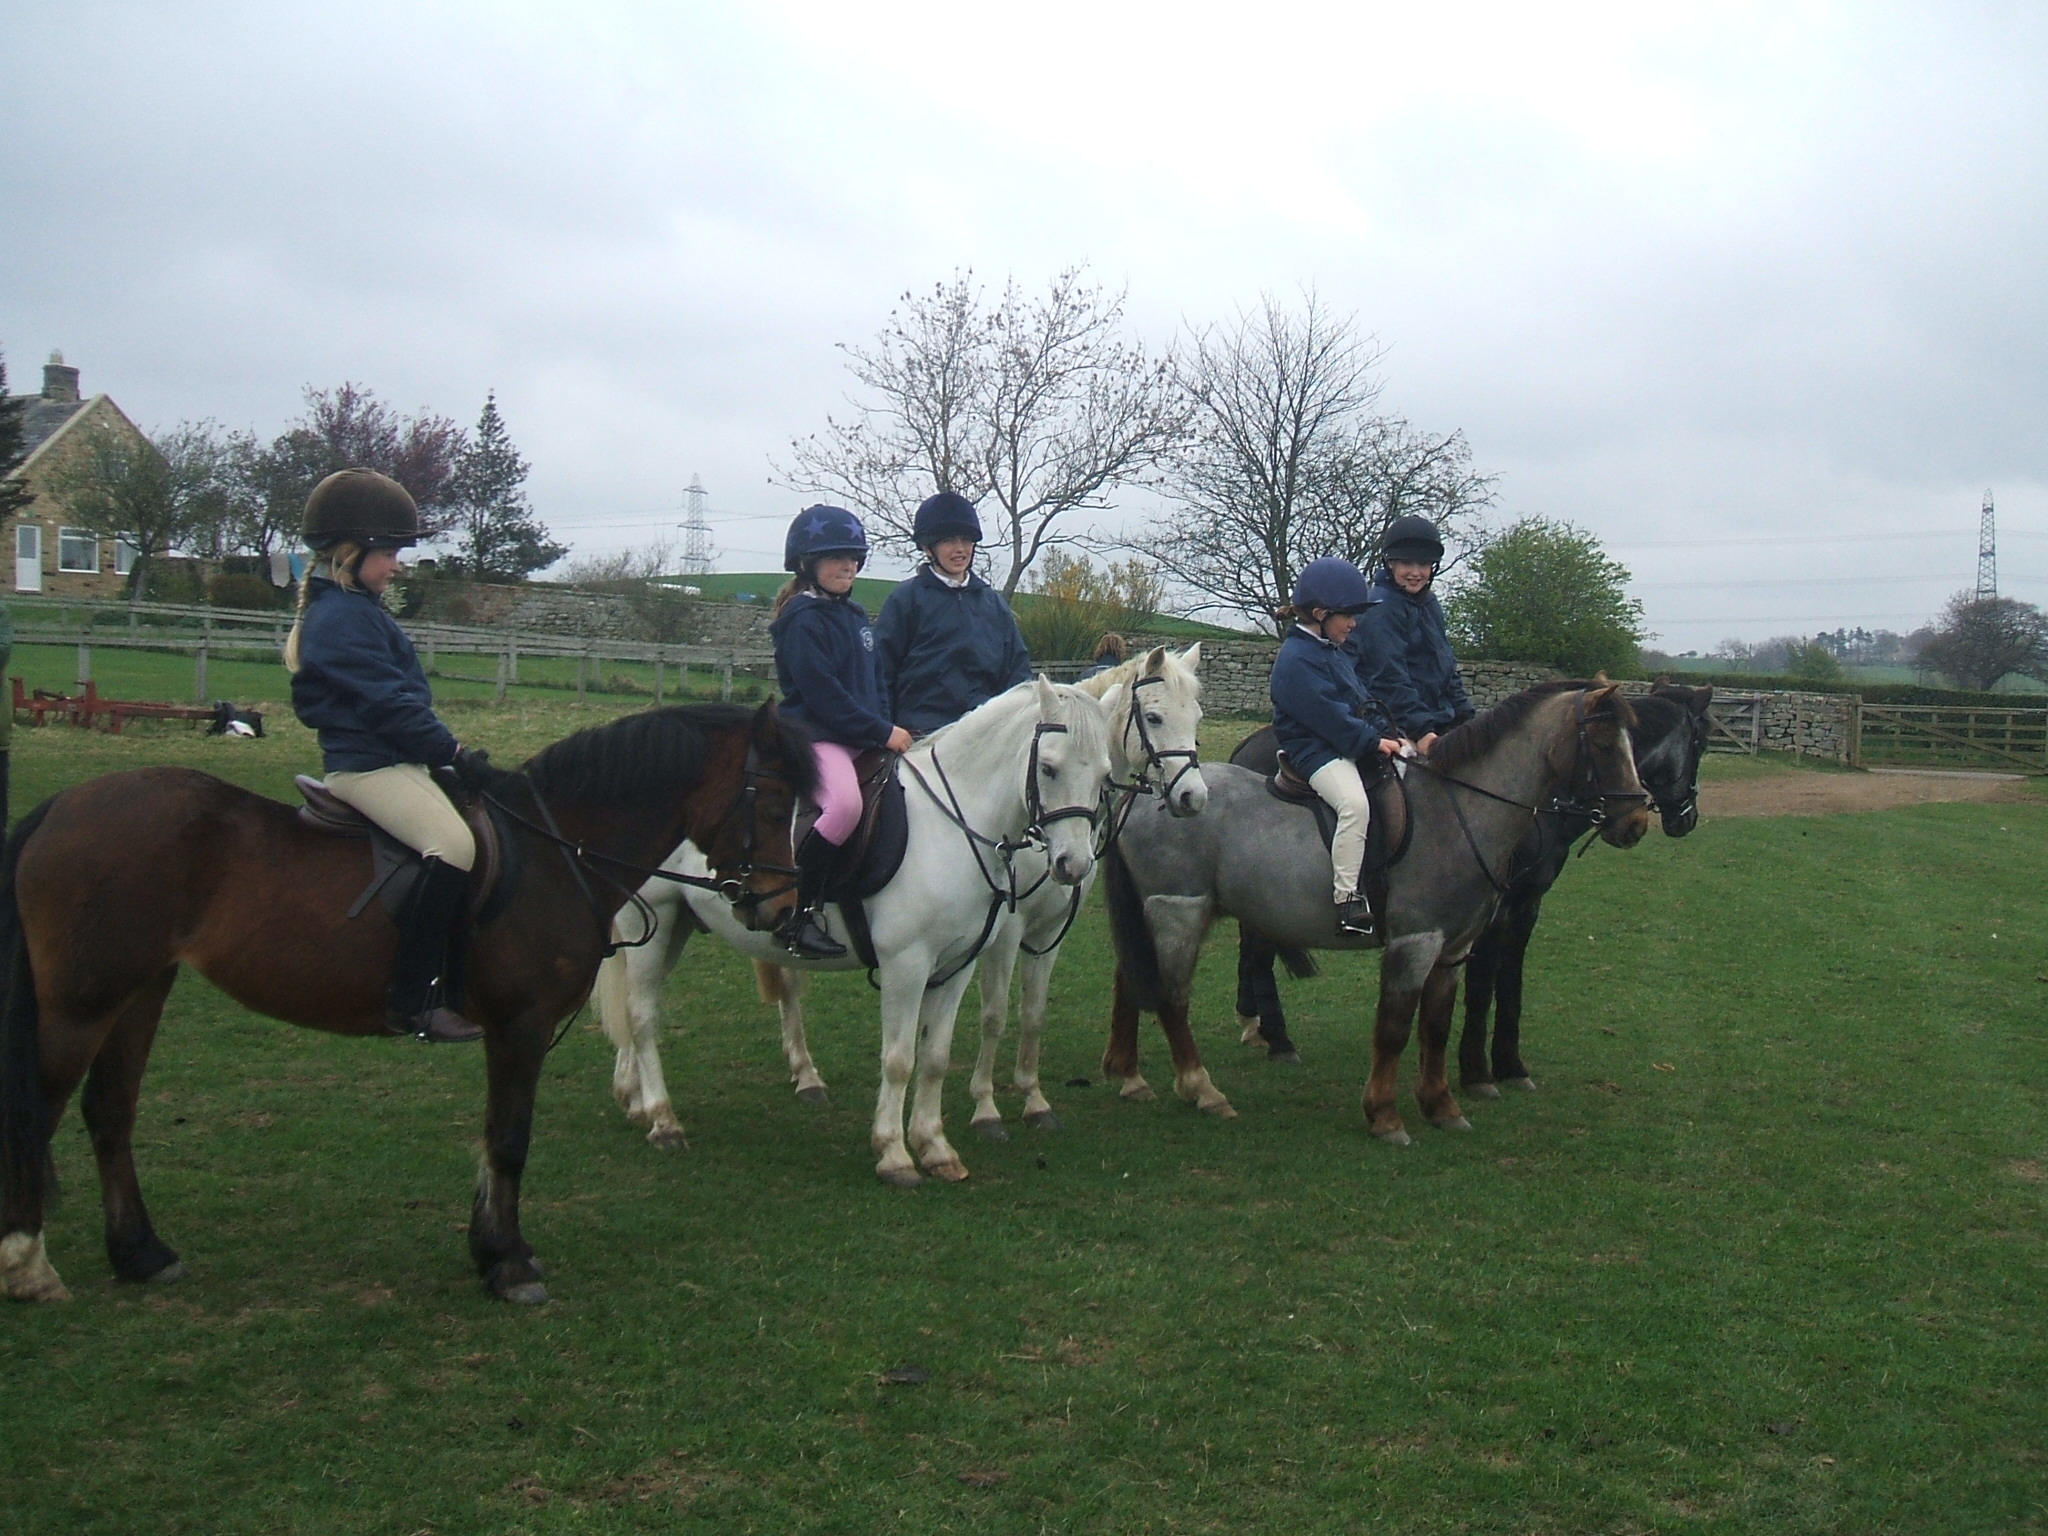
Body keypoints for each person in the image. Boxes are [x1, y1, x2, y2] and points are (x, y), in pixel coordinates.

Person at [285, 469, 489, 1043]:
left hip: (393, 760)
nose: (397, 565)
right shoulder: (342, 616)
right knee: (454, 848)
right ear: (350, 553)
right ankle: (412, 999)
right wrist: (451, 751)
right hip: (368, 768)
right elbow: (387, 702)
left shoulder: (354, 607)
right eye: (390, 554)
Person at [770, 504, 915, 960]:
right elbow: (824, 697)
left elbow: (876, 682)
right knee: (845, 807)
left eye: (853, 557)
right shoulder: (801, 620)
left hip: (863, 737)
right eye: (835, 558)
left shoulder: (853, 615)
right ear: (806, 564)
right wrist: (880, 730)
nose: (847, 566)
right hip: (819, 738)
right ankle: (799, 913)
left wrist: (887, 724)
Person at [1269, 558, 1403, 937]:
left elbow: (1360, 699)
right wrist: (1371, 741)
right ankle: (1347, 899)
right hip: (1315, 751)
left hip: (1338, 741)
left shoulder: (1329, 650)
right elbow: (1329, 716)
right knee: (1354, 805)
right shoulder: (1296, 659)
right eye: (1349, 616)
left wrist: (1389, 733)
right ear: (1320, 614)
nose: (1354, 624)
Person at [874, 492, 1033, 735]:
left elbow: (1017, 672)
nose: (960, 549)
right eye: (949, 541)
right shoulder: (905, 600)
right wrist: (886, 731)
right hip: (922, 732)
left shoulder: (993, 603)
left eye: (966, 540)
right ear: (928, 547)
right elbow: (881, 672)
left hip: (985, 730)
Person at [1354, 514, 1473, 754]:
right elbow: (1388, 678)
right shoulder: (1380, 607)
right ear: (1390, 563)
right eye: (1407, 563)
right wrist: (1422, 731)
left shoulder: (1429, 604)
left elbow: (1446, 668)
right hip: (1391, 721)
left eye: (1423, 564)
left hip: (1434, 719)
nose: (1416, 572)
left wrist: (1467, 718)